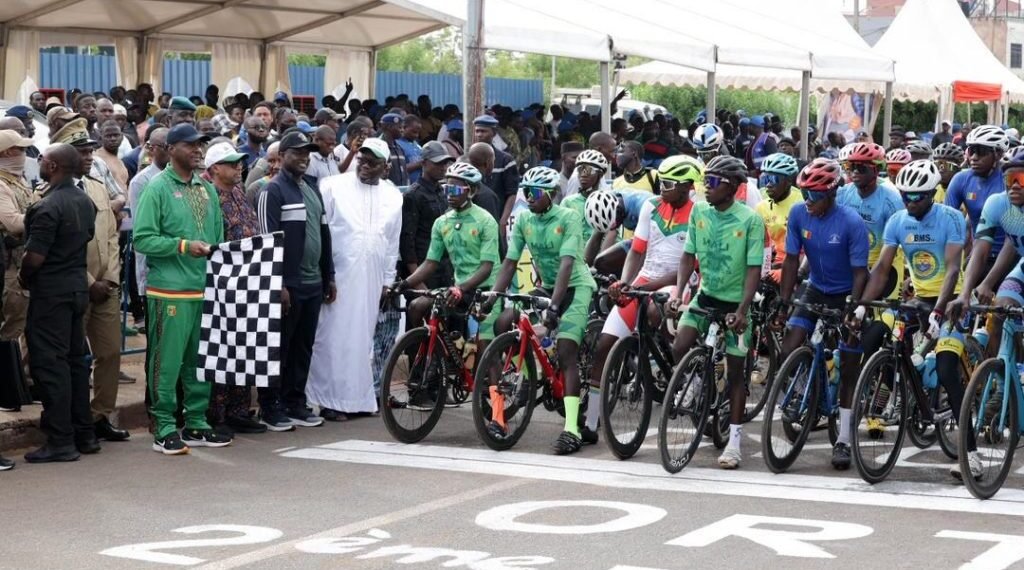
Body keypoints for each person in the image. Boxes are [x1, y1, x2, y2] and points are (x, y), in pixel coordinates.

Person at [855, 160, 969, 477]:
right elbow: (882, 268)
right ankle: (907, 402)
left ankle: (968, 453)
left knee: (946, 367)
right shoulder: (897, 221)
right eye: (906, 195)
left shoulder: (951, 218)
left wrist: (939, 309)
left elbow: (951, 269)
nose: (910, 202)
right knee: (894, 348)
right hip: (917, 300)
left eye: (917, 197)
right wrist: (863, 304)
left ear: (932, 194)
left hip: (950, 301)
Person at [483, 166, 598, 454]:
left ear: (550, 194)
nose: (528, 198)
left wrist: (555, 307)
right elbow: (510, 263)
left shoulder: (569, 217)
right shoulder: (523, 219)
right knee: (503, 322)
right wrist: (493, 296)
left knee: (566, 349)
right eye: (525, 192)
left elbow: (567, 264)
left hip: (575, 286)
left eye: (534, 193)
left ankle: (572, 429)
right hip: (547, 285)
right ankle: (522, 382)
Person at [586, 156, 701, 439]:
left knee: (654, 312)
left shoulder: (700, 213)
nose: (662, 188)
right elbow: (636, 251)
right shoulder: (651, 206)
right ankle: (589, 421)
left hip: (679, 281)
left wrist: (647, 289)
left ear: (687, 187)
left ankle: (687, 369)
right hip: (645, 279)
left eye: (669, 184)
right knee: (603, 346)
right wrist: (625, 283)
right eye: (660, 182)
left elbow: (691, 265)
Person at [133, 124, 231, 455]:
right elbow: (142, 239)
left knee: (198, 362)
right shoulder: (157, 187)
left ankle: (196, 422)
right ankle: (163, 426)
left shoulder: (206, 190)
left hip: (202, 289)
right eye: (190, 145)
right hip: (169, 291)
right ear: (171, 149)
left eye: (200, 145)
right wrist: (184, 246)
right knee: (166, 362)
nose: (197, 150)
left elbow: (217, 239)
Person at [666, 155, 766, 470]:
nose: (704, 188)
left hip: (736, 303)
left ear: (733, 187)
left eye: (711, 182)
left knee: (736, 375)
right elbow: (687, 256)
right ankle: (698, 380)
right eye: (703, 181)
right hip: (706, 296)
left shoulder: (750, 219)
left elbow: (753, 271)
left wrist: (742, 310)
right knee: (680, 345)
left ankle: (733, 443)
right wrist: (679, 292)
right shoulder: (699, 212)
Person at [775, 158, 869, 470]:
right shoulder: (799, 214)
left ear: (831, 194)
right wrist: (784, 300)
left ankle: (842, 437)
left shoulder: (851, 222)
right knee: (791, 344)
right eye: (804, 194)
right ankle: (805, 389)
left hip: (845, 291)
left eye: (814, 196)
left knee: (849, 365)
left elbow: (860, 273)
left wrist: (854, 309)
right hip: (815, 287)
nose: (807, 202)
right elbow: (791, 260)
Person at [50, 118, 131, 444]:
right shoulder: (51, 191)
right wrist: (88, 281)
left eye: (89, 150)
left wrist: (109, 277)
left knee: (110, 353)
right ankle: (74, 418)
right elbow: (60, 247)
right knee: (71, 358)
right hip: (75, 286)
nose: (88, 157)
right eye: (81, 151)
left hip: (105, 286)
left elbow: (112, 237)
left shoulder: (98, 187)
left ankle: (100, 416)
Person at [308, 138, 401, 419]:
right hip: (339, 277)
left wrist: (388, 280)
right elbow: (322, 234)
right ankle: (329, 401)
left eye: (372, 162)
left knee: (363, 340)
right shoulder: (333, 187)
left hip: (372, 280)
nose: (364, 165)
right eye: (362, 159)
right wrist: (326, 275)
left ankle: (358, 400)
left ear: (385, 167)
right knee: (333, 337)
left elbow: (391, 241)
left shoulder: (393, 195)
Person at [396, 161, 500, 408]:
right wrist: (403, 284)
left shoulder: (485, 221)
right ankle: (438, 356)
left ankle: (497, 409)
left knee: (486, 346)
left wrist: (461, 288)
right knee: (417, 307)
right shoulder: (442, 222)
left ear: (471, 191)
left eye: (455, 190)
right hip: (458, 287)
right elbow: (430, 262)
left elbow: (486, 266)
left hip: (486, 288)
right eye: (446, 189)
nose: (448, 195)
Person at [18, 143, 96, 463]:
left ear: (53, 167)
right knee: (77, 363)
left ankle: (61, 441)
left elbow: (35, 257)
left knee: (51, 366)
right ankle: (84, 434)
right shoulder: (85, 201)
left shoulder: (47, 207)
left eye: (42, 160)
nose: (38, 163)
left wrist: (24, 276)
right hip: (77, 290)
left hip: (51, 294)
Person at [255, 132, 336, 428]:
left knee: (303, 346)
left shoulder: (312, 189)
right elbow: (267, 242)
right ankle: (270, 406)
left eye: (308, 153)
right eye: (297, 153)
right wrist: (279, 284)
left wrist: (330, 276)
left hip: (314, 283)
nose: (304, 158)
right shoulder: (272, 191)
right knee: (279, 347)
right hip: (287, 286)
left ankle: (295, 402)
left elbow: (324, 235)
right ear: (283, 155)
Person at [202, 142, 268, 435]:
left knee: (245, 347)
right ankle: (217, 415)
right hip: (222, 282)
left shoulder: (240, 192)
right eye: (231, 163)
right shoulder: (208, 197)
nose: (238, 166)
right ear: (215, 168)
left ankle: (239, 410)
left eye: (240, 162)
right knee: (223, 349)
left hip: (249, 282)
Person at [837, 142, 904, 299]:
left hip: (885, 266)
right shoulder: (843, 194)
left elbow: (895, 245)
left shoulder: (892, 200)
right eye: (850, 166)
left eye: (860, 167)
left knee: (881, 319)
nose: (854, 172)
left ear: (876, 170)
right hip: (852, 265)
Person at [945, 125, 1009, 276]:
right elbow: (947, 224)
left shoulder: (1009, 181)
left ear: (998, 154)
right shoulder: (961, 179)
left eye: (980, 152)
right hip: (978, 256)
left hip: (1010, 256)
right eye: (971, 151)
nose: (973, 157)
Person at [399, 141, 455, 290]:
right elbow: (407, 241)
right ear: (423, 163)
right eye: (438, 163)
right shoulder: (413, 195)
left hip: (445, 269)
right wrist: (417, 280)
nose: (443, 167)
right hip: (424, 271)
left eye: (445, 163)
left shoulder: (443, 192)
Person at [0, 131, 36, 345]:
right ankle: (10, 377)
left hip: (23, 262)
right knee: (12, 329)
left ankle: (22, 377)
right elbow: (13, 222)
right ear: (6, 152)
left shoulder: (16, 180)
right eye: (20, 149)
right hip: (9, 266)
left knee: (24, 325)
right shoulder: (1, 184)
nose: (24, 154)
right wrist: (44, 219)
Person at [755, 153, 803, 284]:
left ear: (788, 181)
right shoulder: (761, 206)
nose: (768, 185)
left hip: (795, 263)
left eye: (774, 179)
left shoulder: (802, 203)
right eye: (765, 179)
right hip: (769, 263)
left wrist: (787, 271)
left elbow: (809, 247)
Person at [473, 115, 519, 237]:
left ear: (493, 133)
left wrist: (503, 220)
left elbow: (512, 193)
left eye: (483, 131)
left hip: (495, 218)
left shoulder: (505, 160)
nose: (479, 135)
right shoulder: (467, 160)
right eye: (477, 131)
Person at [561, 150, 611, 244]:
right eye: (580, 169)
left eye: (588, 170)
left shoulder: (608, 201)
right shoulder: (568, 202)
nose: (583, 174)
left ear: (600, 174)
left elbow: (614, 237)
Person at [465, 142, 505, 222]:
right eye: (493, 161)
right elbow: (492, 229)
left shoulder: (460, 186)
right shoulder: (487, 196)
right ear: (488, 163)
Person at [245, 141, 280, 207]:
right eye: (271, 161)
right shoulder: (255, 189)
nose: (276, 166)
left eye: (280, 160)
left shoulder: (298, 184)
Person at [379, 113, 409, 187]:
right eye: (400, 127)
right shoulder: (379, 147)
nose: (402, 130)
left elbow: (405, 172)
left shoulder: (399, 148)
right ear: (389, 127)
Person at [398, 114, 424, 184]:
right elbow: (398, 170)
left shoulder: (417, 145)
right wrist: (419, 164)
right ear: (404, 127)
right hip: (405, 187)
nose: (416, 135)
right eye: (414, 132)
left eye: (418, 132)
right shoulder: (397, 144)